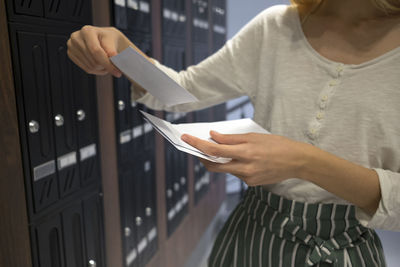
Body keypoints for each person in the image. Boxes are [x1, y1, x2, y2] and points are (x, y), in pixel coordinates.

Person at [67, 0, 400, 265]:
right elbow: (182, 90)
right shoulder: (276, 26)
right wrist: (123, 51)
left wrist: (303, 161)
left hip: (345, 248)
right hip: (251, 234)